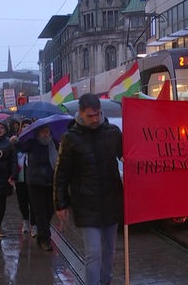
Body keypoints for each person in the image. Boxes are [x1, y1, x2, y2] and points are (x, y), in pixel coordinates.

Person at [54, 93, 123, 284]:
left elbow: (128, 155)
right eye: (90, 116)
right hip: (86, 202)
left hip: (111, 200)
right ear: (81, 113)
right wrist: (60, 203)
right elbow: (61, 173)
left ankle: (105, 281)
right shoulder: (71, 138)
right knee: (94, 253)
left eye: (97, 115)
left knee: (109, 250)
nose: (94, 119)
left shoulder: (113, 133)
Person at [13, 124, 58, 251]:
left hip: (50, 180)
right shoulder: (32, 143)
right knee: (40, 210)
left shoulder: (53, 143)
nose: (45, 134)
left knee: (50, 209)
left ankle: (42, 234)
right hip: (35, 181)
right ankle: (44, 238)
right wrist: (15, 141)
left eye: (47, 131)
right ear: (38, 132)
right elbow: (21, 147)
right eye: (43, 131)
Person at [14, 119, 37, 236]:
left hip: (32, 176)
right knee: (22, 201)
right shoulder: (15, 141)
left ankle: (34, 225)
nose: (25, 128)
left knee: (33, 201)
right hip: (20, 176)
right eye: (24, 126)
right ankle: (25, 222)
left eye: (28, 126)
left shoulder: (34, 141)